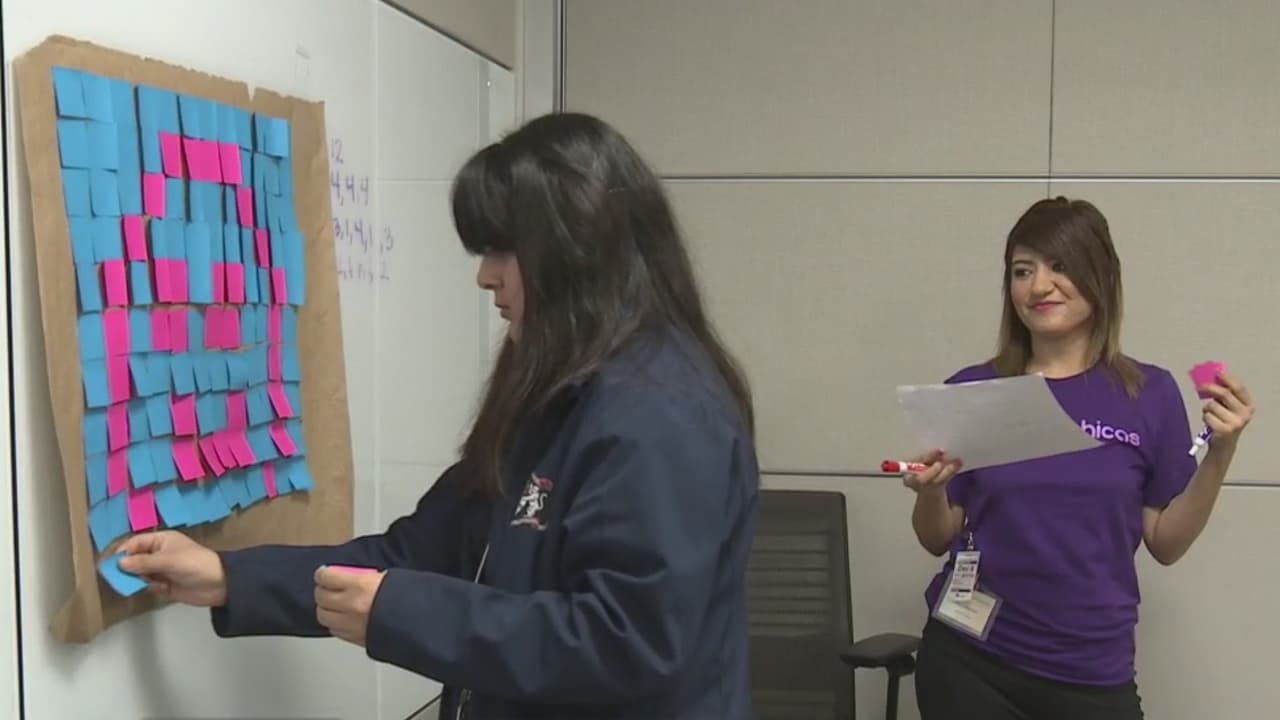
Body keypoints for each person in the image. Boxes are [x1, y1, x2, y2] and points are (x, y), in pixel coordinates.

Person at [119, 112, 760, 720]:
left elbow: (626, 642)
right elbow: (416, 554)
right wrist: (231, 577)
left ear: (578, 252)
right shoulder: (553, 392)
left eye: (504, 250)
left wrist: (401, 614)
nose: (486, 277)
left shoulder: (662, 414)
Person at [902, 197, 1255, 720]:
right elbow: (936, 536)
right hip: (969, 660)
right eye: (1023, 271)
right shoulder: (974, 391)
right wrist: (931, 491)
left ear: (1102, 276)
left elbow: (1166, 542)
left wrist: (1221, 453)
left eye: (1060, 265)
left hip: (1092, 670)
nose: (1039, 286)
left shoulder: (1149, 393)